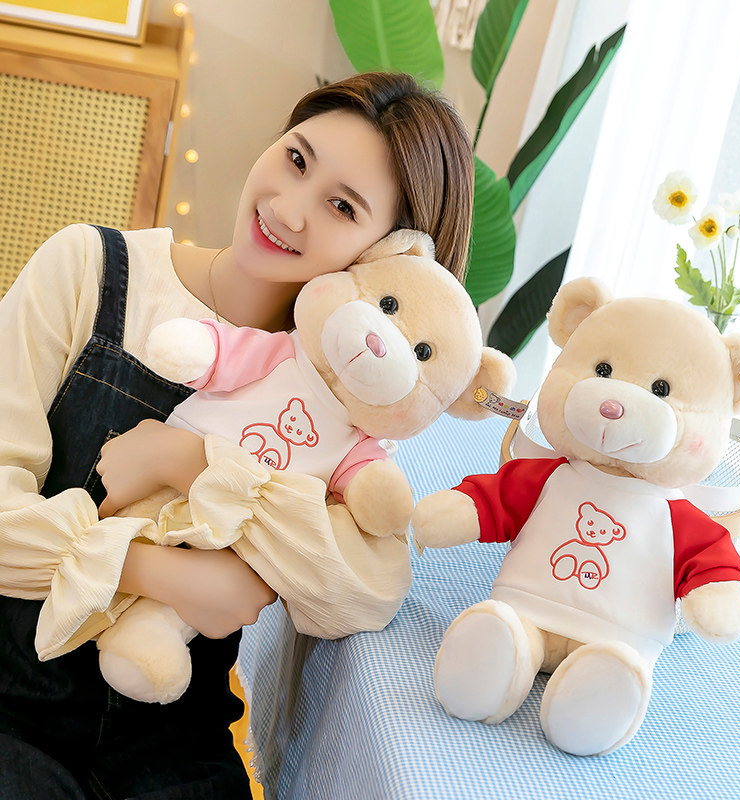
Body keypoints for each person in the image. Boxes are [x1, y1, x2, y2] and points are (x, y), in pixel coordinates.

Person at [0, 71, 474, 799]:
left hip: (171, 744)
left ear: (391, 257)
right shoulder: (89, 269)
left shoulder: (348, 396)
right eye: (296, 158)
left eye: (341, 206)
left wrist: (194, 462)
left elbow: (363, 591)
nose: (287, 208)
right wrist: (155, 573)